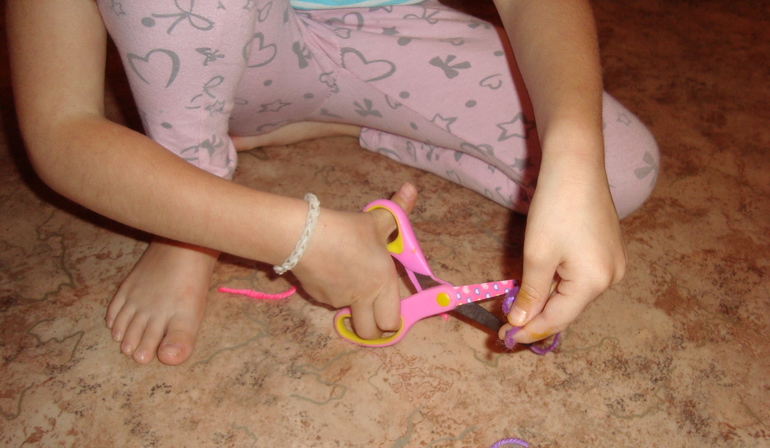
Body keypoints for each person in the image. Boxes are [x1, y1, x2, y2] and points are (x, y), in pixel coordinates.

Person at [7, 0, 658, 365]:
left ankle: (333, 118)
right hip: (222, 50)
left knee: (620, 169)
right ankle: (189, 207)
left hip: (379, 26)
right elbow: (60, 128)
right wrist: (298, 237)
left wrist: (574, 153)